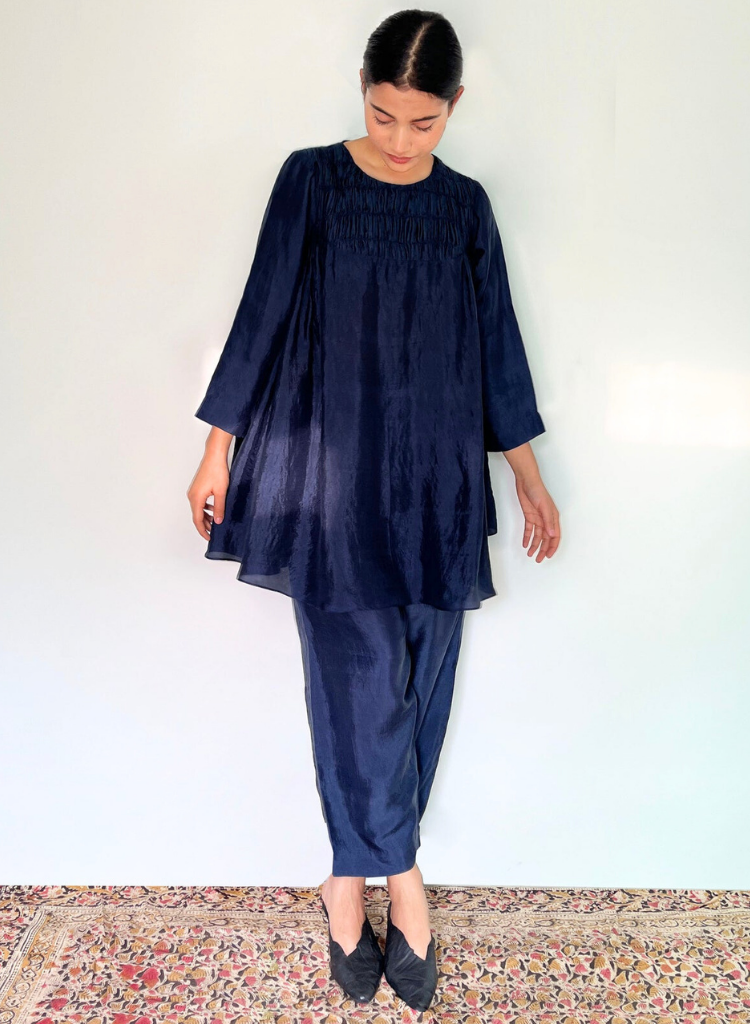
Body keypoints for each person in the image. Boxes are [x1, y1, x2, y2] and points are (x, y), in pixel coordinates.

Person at [187, 8, 561, 1012]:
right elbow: (262, 312)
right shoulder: (311, 181)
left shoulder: (465, 207)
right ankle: (396, 880)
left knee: (421, 684)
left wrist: (526, 475)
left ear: (455, 107)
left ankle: (346, 876)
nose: (400, 140)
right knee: (358, 690)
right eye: (383, 115)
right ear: (362, 90)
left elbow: (498, 346)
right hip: (330, 485)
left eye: (423, 122)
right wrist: (216, 448)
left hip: (440, 484)